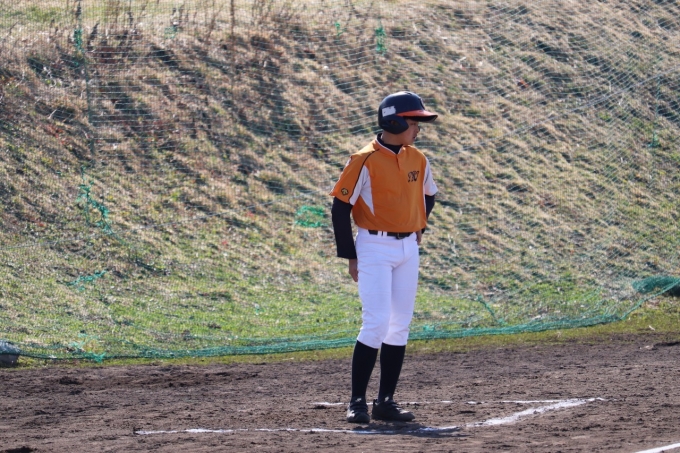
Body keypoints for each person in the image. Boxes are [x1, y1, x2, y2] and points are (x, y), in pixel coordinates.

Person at [329, 91, 438, 423]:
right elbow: (340, 208)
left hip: (408, 249)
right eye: (413, 122)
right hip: (373, 247)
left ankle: (385, 402)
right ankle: (357, 402)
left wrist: (419, 223)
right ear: (393, 122)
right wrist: (351, 256)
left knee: (399, 325)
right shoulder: (364, 159)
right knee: (376, 321)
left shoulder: (418, 158)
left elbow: (429, 195)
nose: (417, 129)